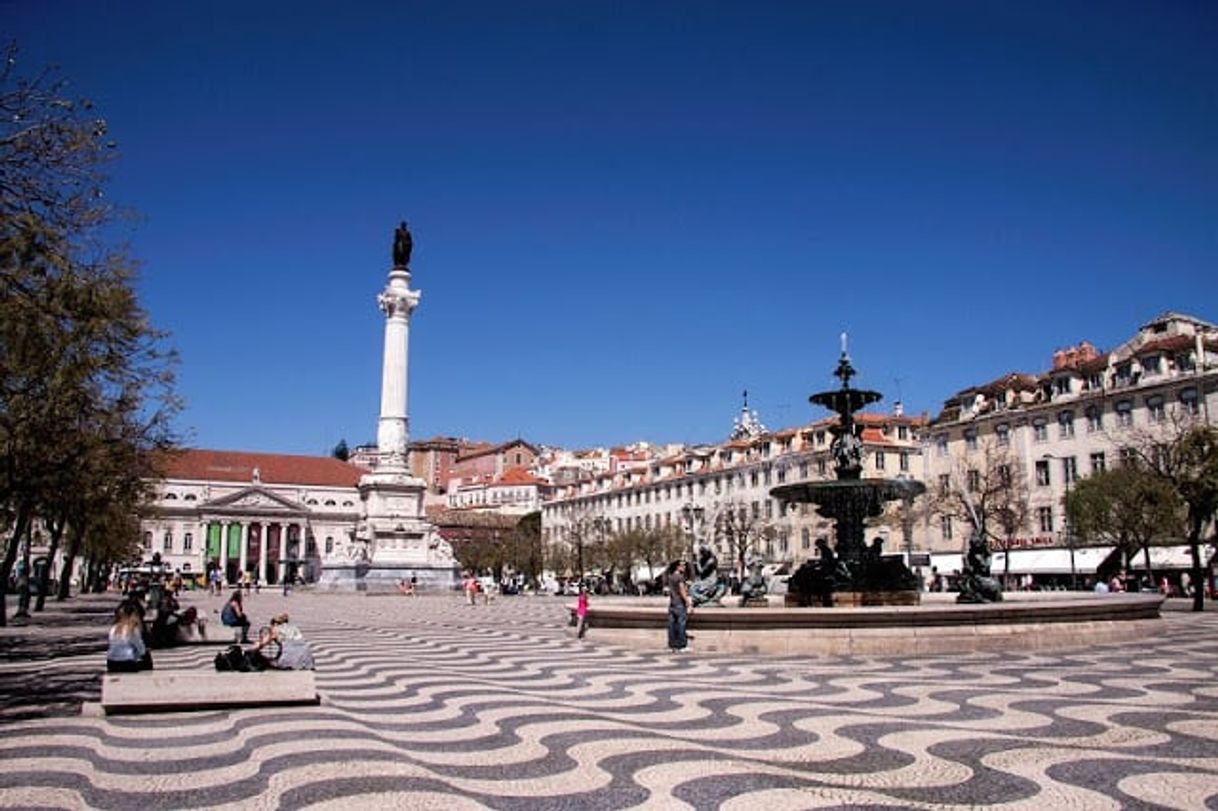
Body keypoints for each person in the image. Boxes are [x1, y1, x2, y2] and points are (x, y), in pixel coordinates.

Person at [107, 601, 152, 673]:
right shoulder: (132, 629)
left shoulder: (114, 628)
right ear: (131, 615)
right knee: (147, 656)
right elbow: (142, 650)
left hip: (111, 663)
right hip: (127, 663)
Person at [667, 560, 693, 652]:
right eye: (682, 565)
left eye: (685, 565)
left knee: (672, 625)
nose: (684, 567)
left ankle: (672, 645)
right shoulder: (680, 577)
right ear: (677, 567)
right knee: (681, 624)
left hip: (672, 604)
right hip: (679, 604)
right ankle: (682, 645)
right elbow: (682, 591)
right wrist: (688, 602)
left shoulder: (670, 577)